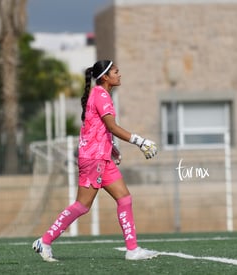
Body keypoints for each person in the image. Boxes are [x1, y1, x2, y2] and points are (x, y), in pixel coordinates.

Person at [32, 60, 159, 262]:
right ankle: (44, 241)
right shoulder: (101, 95)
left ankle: (132, 249)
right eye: (116, 72)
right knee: (82, 206)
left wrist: (112, 147)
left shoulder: (101, 94)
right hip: (93, 159)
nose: (120, 75)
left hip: (102, 157)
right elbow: (112, 126)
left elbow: (97, 128)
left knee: (124, 198)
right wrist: (140, 141)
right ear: (106, 77)